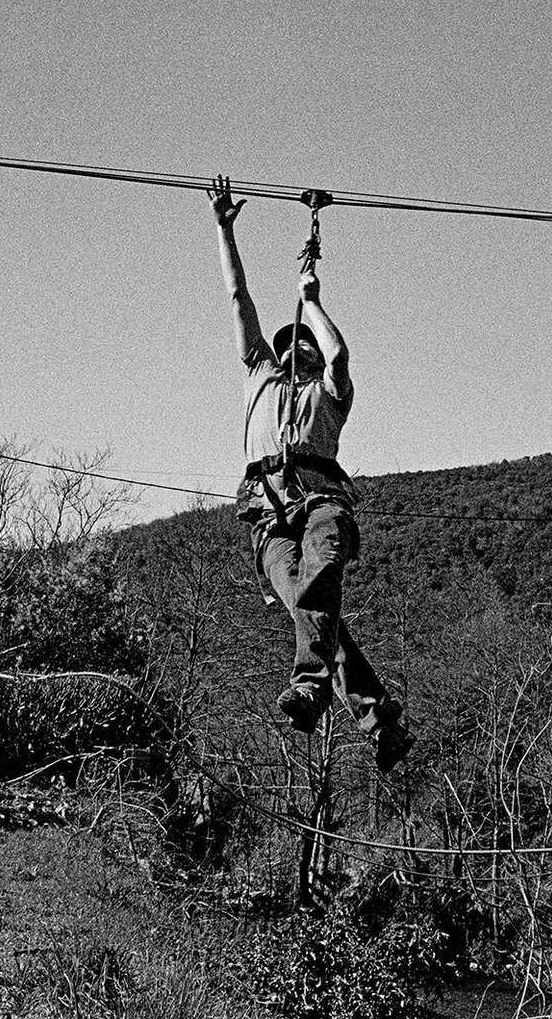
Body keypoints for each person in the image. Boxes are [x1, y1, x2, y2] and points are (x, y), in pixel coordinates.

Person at [210, 175, 414, 773]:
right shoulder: (260, 377)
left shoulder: (331, 392)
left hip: (323, 504)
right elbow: (239, 299)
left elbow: (340, 356)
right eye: (287, 347)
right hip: (267, 513)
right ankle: (378, 719)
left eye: (302, 348)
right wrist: (224, 229)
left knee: (319, 578)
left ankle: (309, 686)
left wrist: (312, 299)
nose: (292, 353)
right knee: (308, 604)